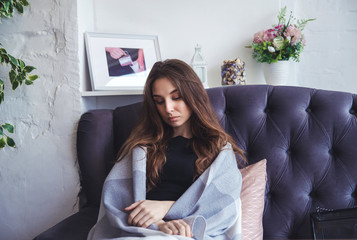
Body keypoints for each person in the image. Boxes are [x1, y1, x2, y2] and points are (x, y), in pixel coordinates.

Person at [87, 59, 246, 240]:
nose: (168, 108)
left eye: (176, 97)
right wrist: (160, 224)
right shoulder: (142, 147)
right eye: (159, 101)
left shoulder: (218, 148)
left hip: (189, 233)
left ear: (193, 95)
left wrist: (166, 207)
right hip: (143, 231)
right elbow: (118, 201)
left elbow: (222, 206)